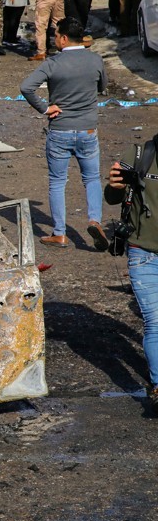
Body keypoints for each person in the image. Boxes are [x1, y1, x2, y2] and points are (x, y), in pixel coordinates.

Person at [20, 18, 107, 250]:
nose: (54, 39)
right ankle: (95, 220)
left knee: (58, 182)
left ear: (65, 38)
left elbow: (26, 87)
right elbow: (101, 87)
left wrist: (45, 108)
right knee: (92, 178)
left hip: (60, 130)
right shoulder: (95, 59)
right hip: (88, 129)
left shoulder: (53, 63)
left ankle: (59, 233)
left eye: (56, 35)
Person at [106, 131, 158, 406]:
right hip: (144, 254)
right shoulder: (139, 155)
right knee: (156, 323)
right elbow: (112, 198)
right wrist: (114, 185)